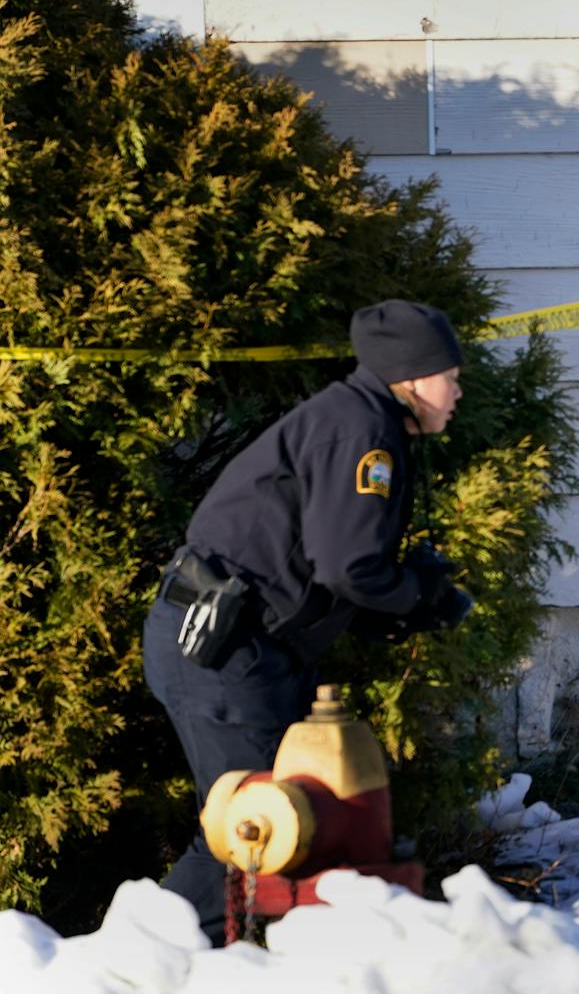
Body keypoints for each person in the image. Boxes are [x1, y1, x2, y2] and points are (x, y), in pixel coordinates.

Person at [143, 299, 474, 944]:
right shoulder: (361, 434)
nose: (459, 388)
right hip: (222, 649)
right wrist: (419, 598)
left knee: (285, 825)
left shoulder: (362, 421)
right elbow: (350, 566)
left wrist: (400, 605)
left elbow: (323, 564)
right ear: (409, 379)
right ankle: (132, 967)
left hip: (252, 648)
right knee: (253, 830)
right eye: (450, 374)